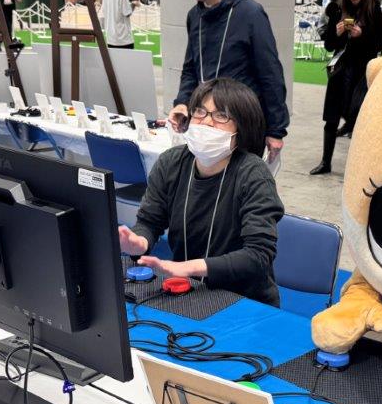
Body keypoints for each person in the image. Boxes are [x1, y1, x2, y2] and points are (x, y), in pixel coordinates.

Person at [119, 77, 284, 306]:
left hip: (245, 300)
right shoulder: (171, 162)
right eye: (200, 112)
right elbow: (149, 221)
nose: (206, 121)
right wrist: (139, 241)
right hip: (188, 290)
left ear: (242, 127)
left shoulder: (253, 174)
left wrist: (187, 267)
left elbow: (258, 255)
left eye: (221, 115)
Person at [168, 0, 289, 165]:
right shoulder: (195, 16)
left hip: (242, 126)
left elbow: (271, 75)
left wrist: (276, 130)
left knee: (239, 185)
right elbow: (191, 69)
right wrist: (182, 103)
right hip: (206, 126)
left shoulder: (250, 13)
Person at [310, 0, 382, 175]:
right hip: (340, 70)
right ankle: (326, 162)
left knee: (359, 118)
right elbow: (329, 45)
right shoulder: (337, 9)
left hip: (361, 72)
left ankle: (360, 167)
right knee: (331, 118)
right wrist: (337, 32)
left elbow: (378, 45)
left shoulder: (373, 9)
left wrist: (362, 34)